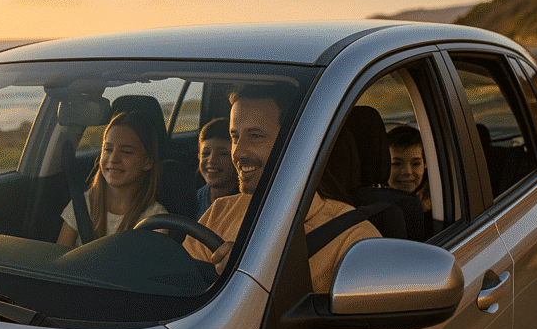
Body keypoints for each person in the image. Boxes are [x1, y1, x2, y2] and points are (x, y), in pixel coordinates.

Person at [183, 86, 379, 291]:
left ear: (296, 142)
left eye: (255, 136)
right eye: (235, 137)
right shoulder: (219, 212)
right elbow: (180, 291)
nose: (238, 152)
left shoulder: (354, 239)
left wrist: (256, 275)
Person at [57, 110, 166, 247]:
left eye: (126, 152)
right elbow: (60, 258)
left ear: (147, 161)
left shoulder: (155, 219)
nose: (113, 159)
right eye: (107, 149)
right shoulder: (82, 205)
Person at [195, 118, 237, 219]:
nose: (211, 160)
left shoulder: (241, 201)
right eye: (205, 154)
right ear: (199, 157)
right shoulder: (200, 196)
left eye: (223, 154)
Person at [386, 125, 431, 212]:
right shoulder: (375, 207)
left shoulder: (438, 202)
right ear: (383, 166)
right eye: (396, 164)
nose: (407, 172)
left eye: (415, 163)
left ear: (425, 164)